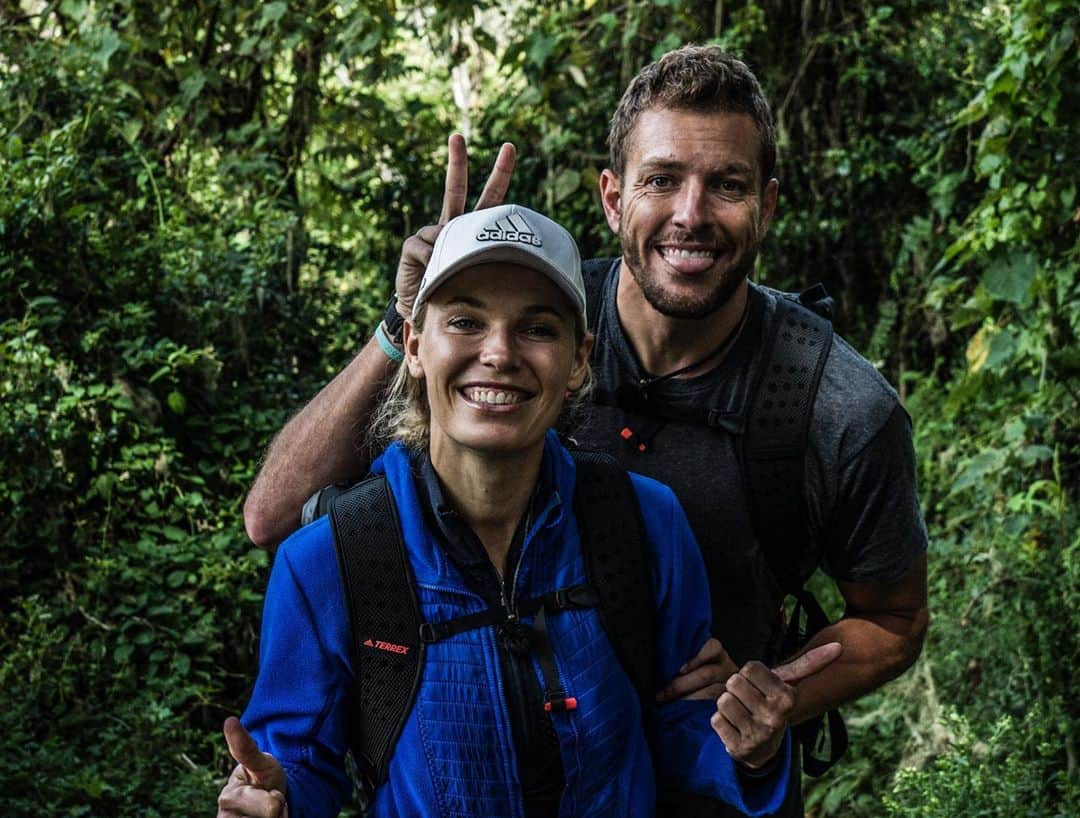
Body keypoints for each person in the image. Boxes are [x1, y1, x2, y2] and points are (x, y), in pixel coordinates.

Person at [242, 45, 929, 817]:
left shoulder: (834, 407)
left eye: (727, 185)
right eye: (662, 179)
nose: (690, 215)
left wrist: (770, 704)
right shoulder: (542, 312)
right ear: (612, 197)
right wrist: (405, 324)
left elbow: (895, 618)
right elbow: (276, 522)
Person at [216, 204, 840, 818]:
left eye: (538, 328)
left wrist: (750, 750)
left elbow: (683, 727)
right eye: (464, 321)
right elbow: (296, 761)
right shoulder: (334, 556)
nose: (500, 353)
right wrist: (278, 798)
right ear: (412, 345)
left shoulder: (642, 523)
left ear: (578, 361)